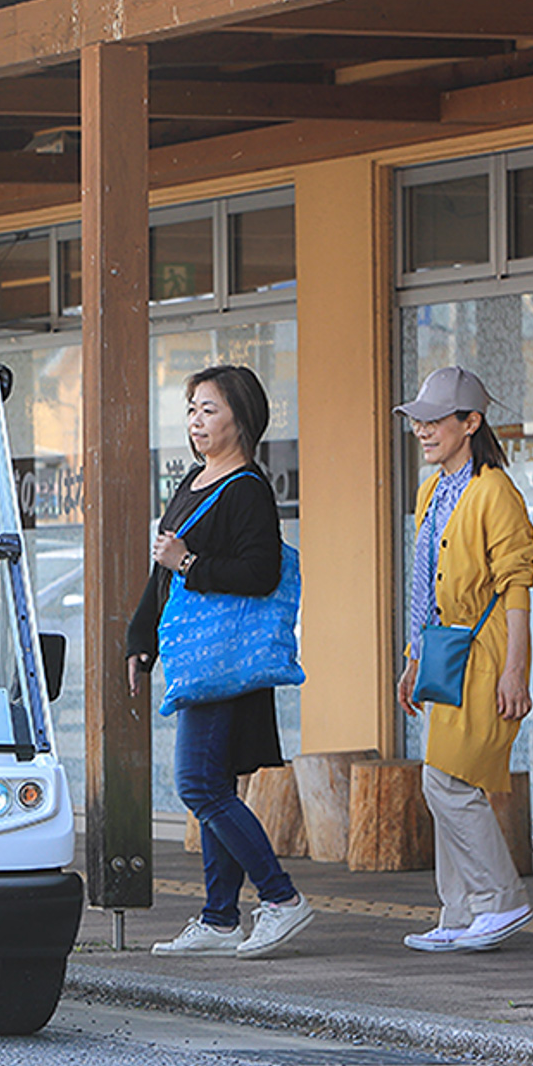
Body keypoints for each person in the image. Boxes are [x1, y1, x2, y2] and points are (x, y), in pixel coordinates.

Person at [127, 365, 314, 959]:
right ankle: (219, 917)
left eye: (208, 409)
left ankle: (282, 898)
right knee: (215, 784)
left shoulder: (247, 489)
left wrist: (189, 564)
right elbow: (163, 569)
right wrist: (142, 638)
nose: (195, 421)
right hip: (196, 657)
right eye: (191, 410)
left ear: (242, 416)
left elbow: (260, 573)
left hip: (227, 659)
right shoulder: (195, 480)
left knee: (200, 784)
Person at [394, 366, 533, 954]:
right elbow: (426, 584)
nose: (422, 431)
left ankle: (500, 900)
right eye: (418, 422)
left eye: (434, 421)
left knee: (448, 780)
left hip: (483, 654)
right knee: (441, 785)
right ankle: (458, 912)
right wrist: (412, 658)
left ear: (470, 422)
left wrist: (516, 671)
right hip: (444, 654)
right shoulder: (434, 490)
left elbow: (518, 585)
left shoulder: (494, 491)